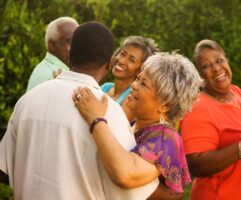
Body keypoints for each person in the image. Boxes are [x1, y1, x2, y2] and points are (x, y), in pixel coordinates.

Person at [0, 21, 159, 200]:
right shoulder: (110, 112)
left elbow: (4, 168)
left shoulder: (28, 100)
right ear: (108, 63)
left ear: (70, 56)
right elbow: (129, 186)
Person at [72, 52, 202, 199]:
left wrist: (96, 119)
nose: (133, 85)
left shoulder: (165, 137)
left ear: (165, 105)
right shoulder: (135, 124)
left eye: (143, 84)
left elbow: (125, 175)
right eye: (138, 78)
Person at [180, 39, 241, 200]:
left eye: (219, 60)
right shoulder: (197, 108)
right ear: (199, 76)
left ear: (227, 60)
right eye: (206, 66)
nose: (216, 68)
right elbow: (197, 165)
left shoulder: (236, 92)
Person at [102, 36, 159, 123]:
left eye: (131, 60)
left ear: (140, 70)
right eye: (123, 54)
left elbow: (114, 125)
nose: (121, 61)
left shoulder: (133, 97)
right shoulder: (106, 87)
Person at [26, 16, 79, 91]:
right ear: (52, 45)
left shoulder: (41, 68)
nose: (77, 46)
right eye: (69, 41)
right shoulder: (60, 75)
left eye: (78, 41)